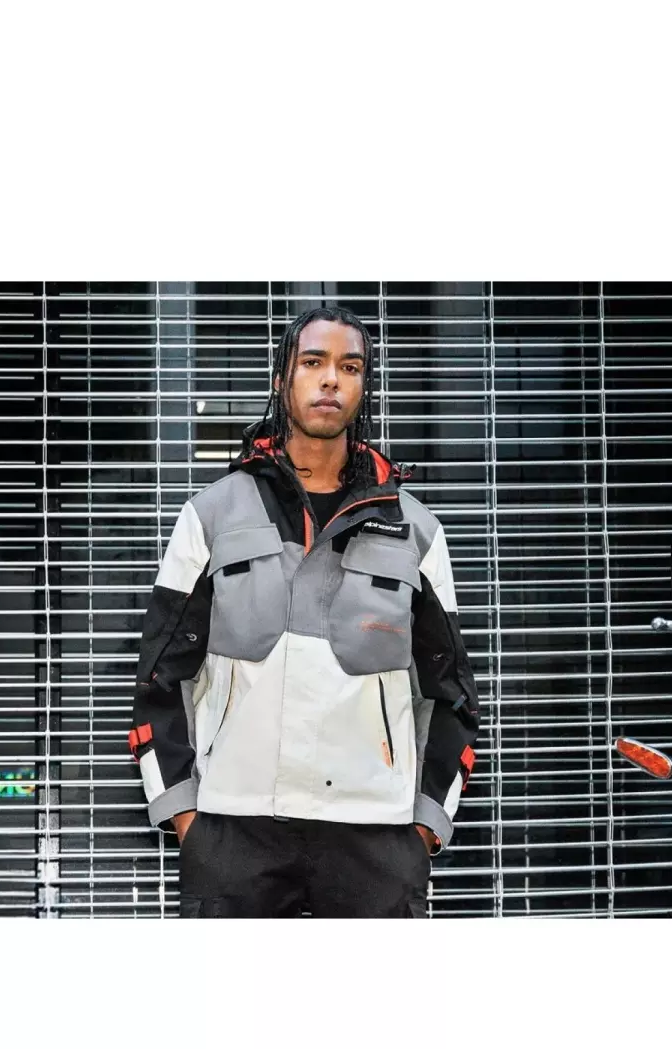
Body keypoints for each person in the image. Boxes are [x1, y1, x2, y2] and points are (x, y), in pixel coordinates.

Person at [129, 305, 480, 917]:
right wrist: (186, 818)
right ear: (281, 379)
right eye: (313, 362)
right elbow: (160, 680)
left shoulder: (416, 531)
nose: (331, 379)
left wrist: (423, 828)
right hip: (235, 833)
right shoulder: (212, 516)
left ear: (364, 387)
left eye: (350, 367)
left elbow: (449, 694)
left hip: (375, 837)